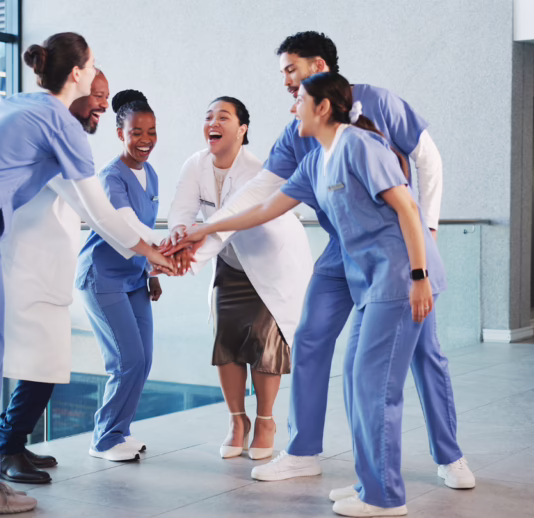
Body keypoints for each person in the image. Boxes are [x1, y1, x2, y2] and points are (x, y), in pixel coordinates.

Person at [171, 31, 473, 491]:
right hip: (341, 249)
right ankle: (303, 451)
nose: (286, 83)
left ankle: (449, 456)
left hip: (396, 249)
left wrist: (426, 235)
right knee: (309, 337)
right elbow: (259, 199)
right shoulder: (299, 136)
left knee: (423, 353)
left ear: (318, 68)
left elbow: (426, 160)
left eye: (290, 70)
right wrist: (199, 243)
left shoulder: (374, 106)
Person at [0, 33, 173, 516]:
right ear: (77, 73)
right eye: (93, 68)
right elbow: (101, 211)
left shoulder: (12, 103)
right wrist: (154, 251)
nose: (96, 81)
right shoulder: (60, 123)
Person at [168, 97, 312, 460]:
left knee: (266, 343)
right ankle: (237, 422)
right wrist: (174, 245)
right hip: (230, 265)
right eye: (208, 116)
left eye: (223, 116)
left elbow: (223, 229)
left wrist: (186, 260)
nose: (212, 122)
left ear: (242, 129)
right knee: (226, 341)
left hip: (269, 262)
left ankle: (266, 422)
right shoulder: (195, 165)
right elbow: (181, 214)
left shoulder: (255, 170)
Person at [75, 89, 165, 462]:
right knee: (125, 359)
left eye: (152, 131)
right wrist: (159, 254)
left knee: (142, 360)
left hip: (133, 278)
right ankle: (103, 438)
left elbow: (142, 225)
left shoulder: (152, 174)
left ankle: (119, 431)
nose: (145, 140)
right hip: (104, 277)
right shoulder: (111, 176)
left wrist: (150, 270)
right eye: (136, 132)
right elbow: (126, 223)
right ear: (119, 133)